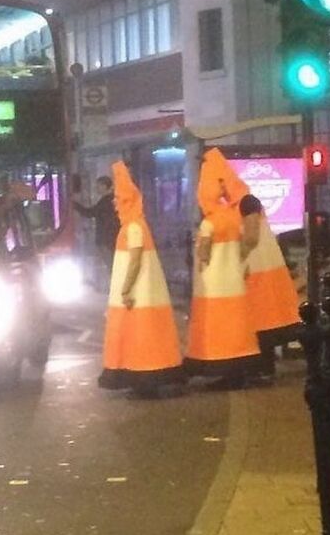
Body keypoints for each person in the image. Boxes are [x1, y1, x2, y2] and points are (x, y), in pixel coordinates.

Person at [99, 161, 183, 398]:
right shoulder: (133, 224)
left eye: (118, 198)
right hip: (141, 296)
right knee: (141, 338)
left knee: (141, 339)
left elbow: (135, 261)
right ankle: (143, 383)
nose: (114, 203)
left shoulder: (133, 226)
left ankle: (146, 384)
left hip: (138, 297)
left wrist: (125, 289)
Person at [185, 148, 261, 388]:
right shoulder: (233, 216)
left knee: (217, 329)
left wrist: (200, 254)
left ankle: (221, 370)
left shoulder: (209, 222)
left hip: (215, 287)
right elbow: (247, 242)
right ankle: (237, 373)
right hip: (235, 283)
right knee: (236, 327)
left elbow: (204, 251)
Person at [240, 193, 301, 382]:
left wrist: (235, 260)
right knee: (266, 323)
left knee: (261, 323)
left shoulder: (244, 203)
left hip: (257, 274)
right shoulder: (248, 202)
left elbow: (250, 238)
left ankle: (262, 369)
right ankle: (265, 368)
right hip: (265, 272)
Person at [74, 176, 120, 291]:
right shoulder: (113, 200)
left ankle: (116, 290)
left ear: (105, 186)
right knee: (113, 265)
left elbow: (90, 213)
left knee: (112, 266)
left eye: (98, 185)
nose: (96, 188)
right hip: (113, 238)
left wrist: (75, 205)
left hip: (105, 239)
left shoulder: (106, 201)